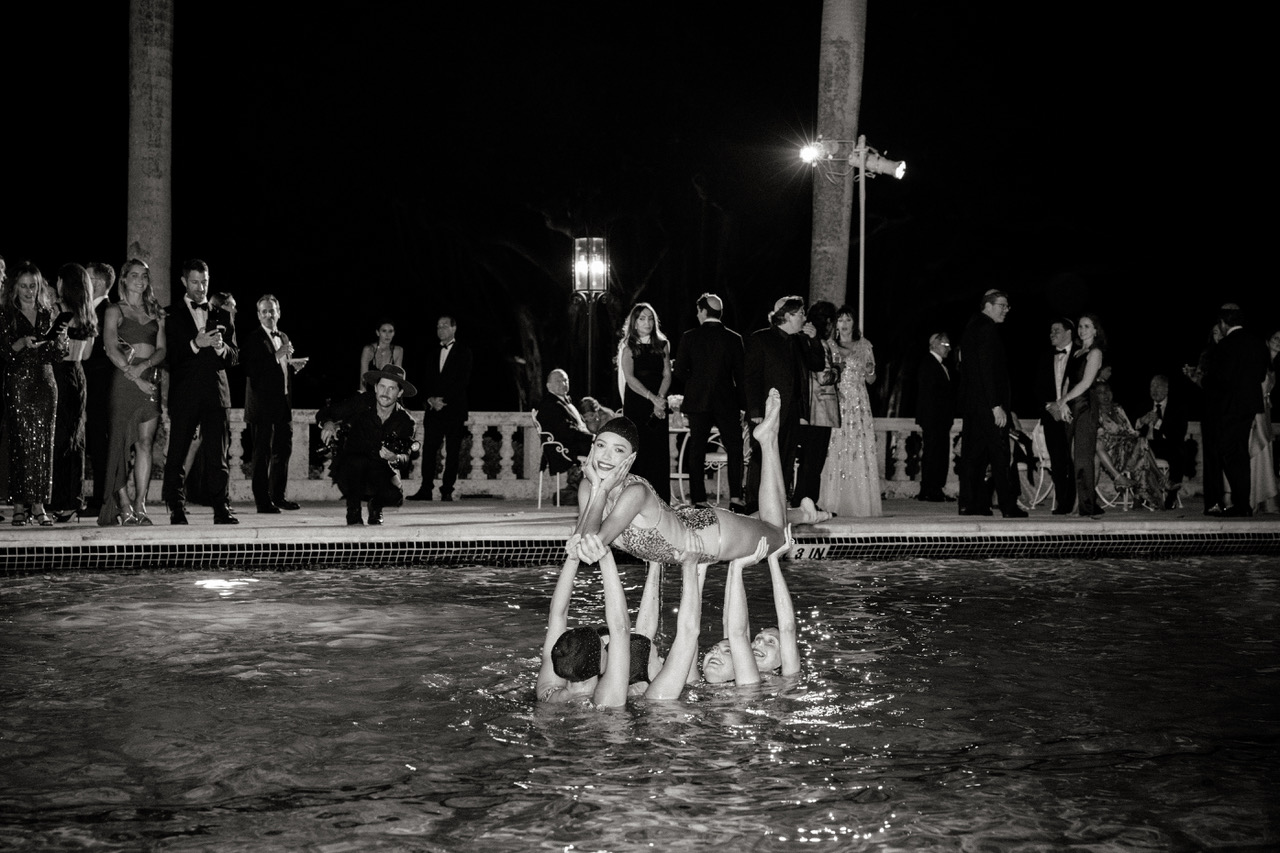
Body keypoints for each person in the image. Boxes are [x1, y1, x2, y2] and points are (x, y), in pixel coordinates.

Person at [566, 387, 823, 578]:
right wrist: (597, 488)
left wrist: (600, 491)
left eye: (618, 450)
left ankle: (768, 441)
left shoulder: (634, 493)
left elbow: (592, 547)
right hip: (688, 520)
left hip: (714, 536)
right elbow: (581, 542)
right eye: (601, 446)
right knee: (761, 523)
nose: (606, 456)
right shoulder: (588, 486)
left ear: (631, 459)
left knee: (777, 535)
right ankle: (802, 513)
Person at [161, 259, 239, 525]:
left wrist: (219, 348)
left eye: (204, 281)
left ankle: (221, 508)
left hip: (217, 393)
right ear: (184, 282)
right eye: (195, 282)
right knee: (178, 452)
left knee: (218, 454)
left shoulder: (223, 314)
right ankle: (176, 508)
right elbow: (168, 356)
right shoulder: (169, 314)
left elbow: (234, 357)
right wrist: (195, 343)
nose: (200, 287)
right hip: (185, 393)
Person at [97, 258, 166, 526]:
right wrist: (135, 375)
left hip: (149, 377)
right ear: (124, 278)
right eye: (134, 275)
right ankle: (123, 504)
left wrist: (146, 366)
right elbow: (111, 347)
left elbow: (162, 349)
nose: (140, 280)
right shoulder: (115, 309)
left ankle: (141, 504)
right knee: (121, 444)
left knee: (145, 443)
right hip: (126, 380)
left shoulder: (156, 312)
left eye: (144, 276)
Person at [1, 261, 70, 526]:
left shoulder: (46, 313)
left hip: (45, 380)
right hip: (18, 381)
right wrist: (20, 343)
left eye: (33, 285)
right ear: (14, 288)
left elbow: (56, 355)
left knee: (43, 444)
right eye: (24, 286)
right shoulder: (6, 314)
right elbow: (5, 352)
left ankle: (39, 506)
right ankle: (19, 506)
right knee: (20, 443)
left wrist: (60, 340)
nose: (29, 291)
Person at [743, 297, 825, 509]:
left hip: (793, 410)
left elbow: (817, 364)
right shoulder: (761, 339)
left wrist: (814, 340)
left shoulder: (799, 341)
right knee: (762, 456)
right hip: (767, 411)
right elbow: (751, 377)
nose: (804, 318)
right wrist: (755, 410)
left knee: (787, 457)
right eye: (800, 314)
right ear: (788, 316)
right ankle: (754, 503)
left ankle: (779, 502)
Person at [318, 364, 418, 525]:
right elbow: (326, 411)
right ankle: (353, 512)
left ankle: (375, 507)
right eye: (382, 387)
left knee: (395, 495)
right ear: (376, 387)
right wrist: (328, 423)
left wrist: (395, 457)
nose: (385, 393)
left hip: (379, 470)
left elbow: (407, 457)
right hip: (350, 469)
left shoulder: (406, 421)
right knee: (357, 462)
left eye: (392, 389)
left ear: (399, 393)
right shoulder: (361, 402)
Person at [672, 293, 746, 510]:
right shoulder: (733, 338)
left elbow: (679, 372)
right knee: (735, 448)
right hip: (727, 402)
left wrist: (694, 381)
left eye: (698, 311)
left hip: (698, 401)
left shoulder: (689, 337)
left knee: (697, 449)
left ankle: (699, 499)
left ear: (703, 311)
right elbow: (741, 376)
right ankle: (736, 498)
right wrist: (743, 405)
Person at [957, 289, 1026, 518]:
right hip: (989, 405)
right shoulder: (987, 328)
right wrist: (996, 405)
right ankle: (1008, 506)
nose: (1006, 310)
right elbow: (987, 370)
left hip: (973, 405)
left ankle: (971, 503)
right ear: (988, 305)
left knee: (974, 455)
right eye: (1002, 305)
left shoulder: (971, 327)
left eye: (1007, 306)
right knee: (1000, 453)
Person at [699, 534, 798, 685]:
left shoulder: (787, 678)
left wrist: (773, 560)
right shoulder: (735, 667)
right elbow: (729, 622)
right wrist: (733, 563)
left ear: (782, 657)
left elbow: (788, 627)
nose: (758, 643)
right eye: (758, 639)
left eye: (771, 642)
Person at [1202, 304, 1270, 517]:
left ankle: (1241, 505)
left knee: (1230, 455)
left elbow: (1219, 379)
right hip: (1249, 407)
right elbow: (1260, 376)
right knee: (1239, 454)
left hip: (1227, 408)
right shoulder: (1258, 344)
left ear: (1223, 323)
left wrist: (1203, 379)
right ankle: (1243, 504)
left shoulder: (1225, 346)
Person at [243, 294, 305, 513]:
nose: (269, 315)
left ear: (279, 312)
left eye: (272, 311)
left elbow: (279, 369)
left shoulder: (284, 336)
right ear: (259, 315)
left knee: (283, 451)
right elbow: (253, 370)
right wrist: (277, 356)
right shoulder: (253, 338)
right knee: (262, 455)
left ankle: (278, 496)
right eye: (264, 311)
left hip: (282, 404)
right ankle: (262, 502)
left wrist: (291, 366)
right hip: (262, 407)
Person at [818, 306, 882, 517]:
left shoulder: (864, 345)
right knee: (835, 448)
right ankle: (833, 501)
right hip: (837, 402)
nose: (844, 324)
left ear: (854, 323)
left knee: (858, 449)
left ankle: (860, 503)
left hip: (859, 403)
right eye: (841, 320)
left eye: (848, 319)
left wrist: (870, 369)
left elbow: (871, 379)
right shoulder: (829, 345)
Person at [49, 264, 98, 521]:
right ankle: (73, 500)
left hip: (59, 374)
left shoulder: (59, 311)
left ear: (62, 284)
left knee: (57, 437)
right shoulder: (88, 313)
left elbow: (55, 348)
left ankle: (56, 499)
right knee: (76, 439)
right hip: (79, 375)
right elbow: (87, 354)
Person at [408, 315, 471, 502]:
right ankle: (425, 489)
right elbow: (425, 381)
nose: (440, 329)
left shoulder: (464, 352)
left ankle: (447, 490)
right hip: (433, 410)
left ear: (454, 328)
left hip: (454, 409)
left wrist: (444, 400)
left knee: (452, 452)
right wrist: (430, 400)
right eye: (438, 326)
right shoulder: (432, 353)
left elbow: (463, 381)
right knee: (428, 451)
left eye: (444, 326)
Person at [1049, 313, 1107, 518]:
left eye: (1087, 326)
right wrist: (1063, 404)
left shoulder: (1095, 353)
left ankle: (1087, 507)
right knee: (1074, 459)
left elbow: (1085, 383)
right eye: (1080, 326)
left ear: (1095, 330)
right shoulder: (1076, 353)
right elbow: (1067, 382)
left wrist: (1063, 401)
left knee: (1083, 458)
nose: (1082, 330)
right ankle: (1077, 504)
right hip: (1071, 407)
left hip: (1085, 407)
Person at [616, 302, 673, 503]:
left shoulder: (663, 344)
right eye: (642, 318)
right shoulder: (628, 346)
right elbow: (630, 378)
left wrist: (660, 400)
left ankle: (660, 500)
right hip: (637, 403)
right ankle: (635, 500)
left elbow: (667, 374)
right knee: (639, 451)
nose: (647, 322)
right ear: (634, 322)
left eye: (650, 318)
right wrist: (652, 398)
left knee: (658, 452)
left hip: (658, 403)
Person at [1093, 381, 1169, 511]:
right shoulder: (1096, 413)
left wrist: (1134, 435)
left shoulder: (1118, 408)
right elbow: (1100, 438)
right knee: (1142, 445)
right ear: (1095, 396)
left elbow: (1130, 430)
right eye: (1100, 393)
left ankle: (1140, 497)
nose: (1105, 395)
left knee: (1141, 446)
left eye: (1107, 391)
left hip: (1129, 450)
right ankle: (1159, 479)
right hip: (1115, 455)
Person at [795, 301, 839, 510]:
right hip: (820, 410)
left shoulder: (802, 340)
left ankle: (802, 499)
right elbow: (824, 377)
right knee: (814, 460)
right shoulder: (818, 342)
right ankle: (809, 500)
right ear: (828, 322)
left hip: (808, 410)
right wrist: (838, 370)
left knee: (807, 461)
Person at [82, 262, 116, 517]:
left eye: (88, 277)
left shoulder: (107, 311)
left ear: (101, 283)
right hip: (90, 386)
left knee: (101, 443)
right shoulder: (89, 310)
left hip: (101, 387)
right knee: (94, 443)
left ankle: (103, 500)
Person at [1034, 318, 1077, 514]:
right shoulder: (1044, 356)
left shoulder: (1080, 355)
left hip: (1073, 416)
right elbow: (1038, 388)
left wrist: (1065, 406)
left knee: (1073, 460)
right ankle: (1062, 501)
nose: (1052, 334)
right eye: (1051, 330)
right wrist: (1051, 407)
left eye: (1057, 330)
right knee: (1058, 461)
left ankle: (1076, 500)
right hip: (1052, 416)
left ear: (1069, 333)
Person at [1133, 374, 1188, 509]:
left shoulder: (1177, 407)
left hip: (1167, 445)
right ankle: (1142, 494)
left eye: (1158, 386)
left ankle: (1171, 495)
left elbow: (1178, 434)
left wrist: (1158, 422)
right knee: (1140, 449)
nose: (1154, 390)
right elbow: (1130, 427)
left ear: (1167, 389)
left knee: (1179, 453)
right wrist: (1141, 421)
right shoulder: (1143, 404)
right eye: (1152, 386)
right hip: (1147, 444)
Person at [915, 332, 956, 502]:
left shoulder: (937, 365)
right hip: (934, 419)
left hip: (938, 419)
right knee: (934, 454)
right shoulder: (929, 364)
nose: (949, 349)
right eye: (945, 345)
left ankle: (932, 489)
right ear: (934, 345)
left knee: (936, 454)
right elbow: (929, 396)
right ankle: (932, 490)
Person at [536, 368, 594, 459]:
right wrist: (592, 438)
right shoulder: (550, 405)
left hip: (578, 445)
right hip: (565, 451)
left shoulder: (564, 401)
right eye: (558, 381)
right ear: (548, 386)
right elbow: (566, 431)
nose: (563, 384)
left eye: (565, 380)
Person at [359, 319, 403, 393]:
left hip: (387, 391)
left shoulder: (398, 350)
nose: (387, 335)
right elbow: (363, 377)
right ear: (377, 333)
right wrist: (362, 395)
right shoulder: (369, 350)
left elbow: (398, 378)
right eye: (384, 331)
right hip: (370, 392)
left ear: (394, 333)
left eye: (390, 331)